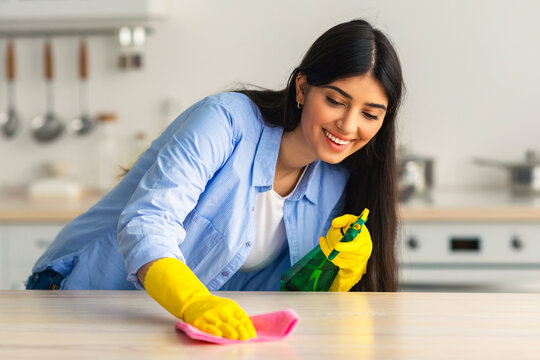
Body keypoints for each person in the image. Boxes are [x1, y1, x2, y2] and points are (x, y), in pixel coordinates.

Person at [26, 19, 403, 340]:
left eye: (370, 114)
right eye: (336, 101)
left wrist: (335, 272)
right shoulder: (225, 121)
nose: (349, 126)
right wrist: (193, 300)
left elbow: (286, 294)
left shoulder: (335, 182)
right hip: (81, 296)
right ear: (302, 89)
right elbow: (148, 223)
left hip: (166, 327)